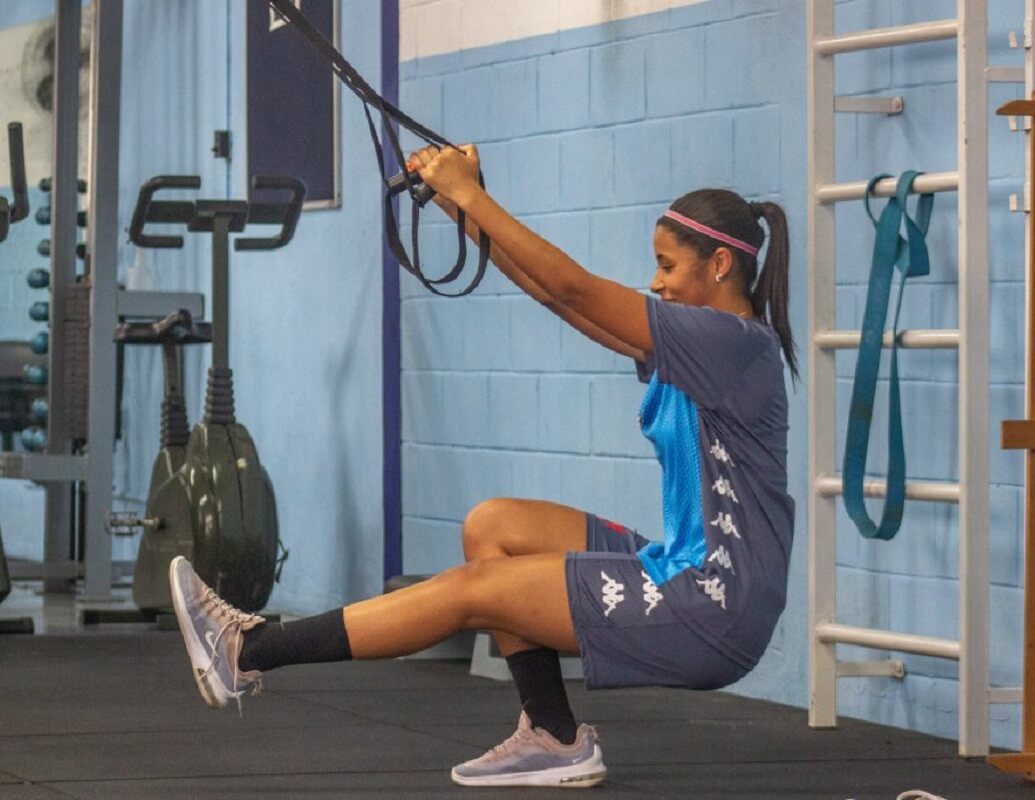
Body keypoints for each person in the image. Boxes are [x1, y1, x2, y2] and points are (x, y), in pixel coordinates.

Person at [168, 143, 797, 789]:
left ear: (721, 264)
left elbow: (575, 285)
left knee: (474, 591)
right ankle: (555, 738)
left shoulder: (732, 345)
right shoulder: (702, 343)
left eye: (667, 266)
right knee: (494, 526)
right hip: (683, 566)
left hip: (717, 604)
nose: (657, 281)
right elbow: (563, 302)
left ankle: (248, 650)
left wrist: (472, 194)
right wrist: (455, 205)